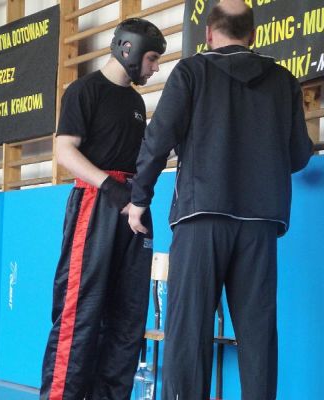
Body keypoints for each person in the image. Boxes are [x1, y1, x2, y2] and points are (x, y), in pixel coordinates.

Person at [128, 1, 313, 399]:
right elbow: (299, 154)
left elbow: (157, 141)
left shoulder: (191, 71)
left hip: (201, 216)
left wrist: (139, 198)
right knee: (258, 336)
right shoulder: (283, 81)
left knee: (189, 334)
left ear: (208, 34)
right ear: (253, 35)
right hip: (260, 223)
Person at [40, 18, 166, 400]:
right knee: (80, 312)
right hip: (95, 205)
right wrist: (109, 187)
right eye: (152, 58)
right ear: (129, 49)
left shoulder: (136, 102)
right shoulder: (84, 90)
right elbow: (64, 151)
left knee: (128, 319)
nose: (155, 67)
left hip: (133, 207)